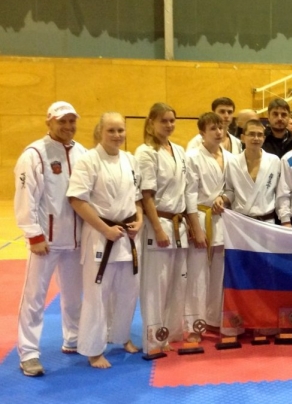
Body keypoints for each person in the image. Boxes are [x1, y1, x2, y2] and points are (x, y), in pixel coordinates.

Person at [14, 101, 86, 377]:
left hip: (76, 239)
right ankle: (29, 352)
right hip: (45, 241)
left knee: (74, 295)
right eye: (61, 121)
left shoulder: (82, 153)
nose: (67, 126)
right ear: (49, 122)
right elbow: (26, 197)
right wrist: (33, 234)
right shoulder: (34, 154)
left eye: (71, 121)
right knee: (35, 298)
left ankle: (74, 338)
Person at [67, 112, 143, 368]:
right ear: (100, 131)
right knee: (97, 295)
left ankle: (121, 337)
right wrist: (105, 229)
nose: (117, 135)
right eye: (111, 130)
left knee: (128, 291)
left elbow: (137, 198)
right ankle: (93, 350)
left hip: (127, 236)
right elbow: (76, 200)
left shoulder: (130, 160)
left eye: (120, 130)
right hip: (101, 236)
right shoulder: (88, 160)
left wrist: (140, 221)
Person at [135, 102, 189, 354]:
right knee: (156, 286)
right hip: (159, 222)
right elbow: (146, 195)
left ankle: (168, 334)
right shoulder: (146, 152)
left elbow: (184, 189)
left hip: (179, 224)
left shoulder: (178, 150)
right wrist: (157, 229)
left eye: (172, 120)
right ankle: (153, 340)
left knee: (176, 283)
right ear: (151, 123)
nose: (168, 125)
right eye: (163, 121)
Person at [185, 112, 240, 340]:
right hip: (201, 216)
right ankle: (194, 326)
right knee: (198, 276)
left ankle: (215, 320)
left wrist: (224, 198)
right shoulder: (192, 157)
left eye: (221, 128)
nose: (218, 132)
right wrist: (195, 227)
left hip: (223, 219)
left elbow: (232, 189)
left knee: (219, 275)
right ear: (202, 133)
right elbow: (189, 192)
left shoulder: (231, 158)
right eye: (212, 129)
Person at [222, 119, 281, 223]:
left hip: (267, 221)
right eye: (252, 134)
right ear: (242, 138)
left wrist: (284, 218)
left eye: (260, 135)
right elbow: (230, 190)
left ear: (264, 138)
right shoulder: (233, 162)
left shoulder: (274, 161)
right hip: (240, 221)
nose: (256, 138)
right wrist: (222, 199)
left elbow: (280, 192)